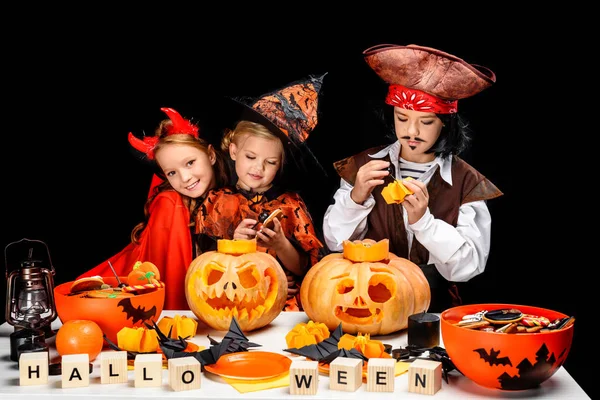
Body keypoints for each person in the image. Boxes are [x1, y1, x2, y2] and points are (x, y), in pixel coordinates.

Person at [322, 44, 503, 312]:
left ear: (445, 123)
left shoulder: (466, 182)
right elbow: (335, 242)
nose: (411, 131)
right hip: (370, 297)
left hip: (433, 307)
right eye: (402, 118)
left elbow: (468, 267)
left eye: (426, 121)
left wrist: (424, 222)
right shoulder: (362, 167)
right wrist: (355, 198)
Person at [77, 107, 231, 310]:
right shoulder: (170, 204)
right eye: (172, 172)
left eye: (190, 163)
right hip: (123, 297)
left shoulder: (231, 191)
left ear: (210, 155)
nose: (185, 178)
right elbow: (172, 287)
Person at [195, 74, 327, 311]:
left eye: (270, 162)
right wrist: (234, 243)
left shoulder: (290, 205)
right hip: (231, 299)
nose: (258, 168)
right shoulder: (216, 202)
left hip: (282, 303)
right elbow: (203, 266)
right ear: (233, 151)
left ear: (280, 164)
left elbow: (306, 268)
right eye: (251, 157)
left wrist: (281, 245)